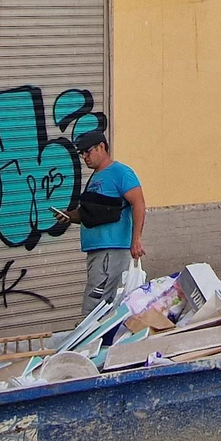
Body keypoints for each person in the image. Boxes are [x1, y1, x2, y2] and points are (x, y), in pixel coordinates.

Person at [61, 131, 145, 316]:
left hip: (111, 251)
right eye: (81, 153)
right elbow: (93, 213)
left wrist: (136, 239)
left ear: (101, 147)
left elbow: (138, 203)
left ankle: (90, 341)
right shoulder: (95, 178)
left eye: (87, 151)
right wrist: (69, 216)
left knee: (95, 306)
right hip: (96, 251)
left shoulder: (120, 173)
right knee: (102, 304)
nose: (84, 157)